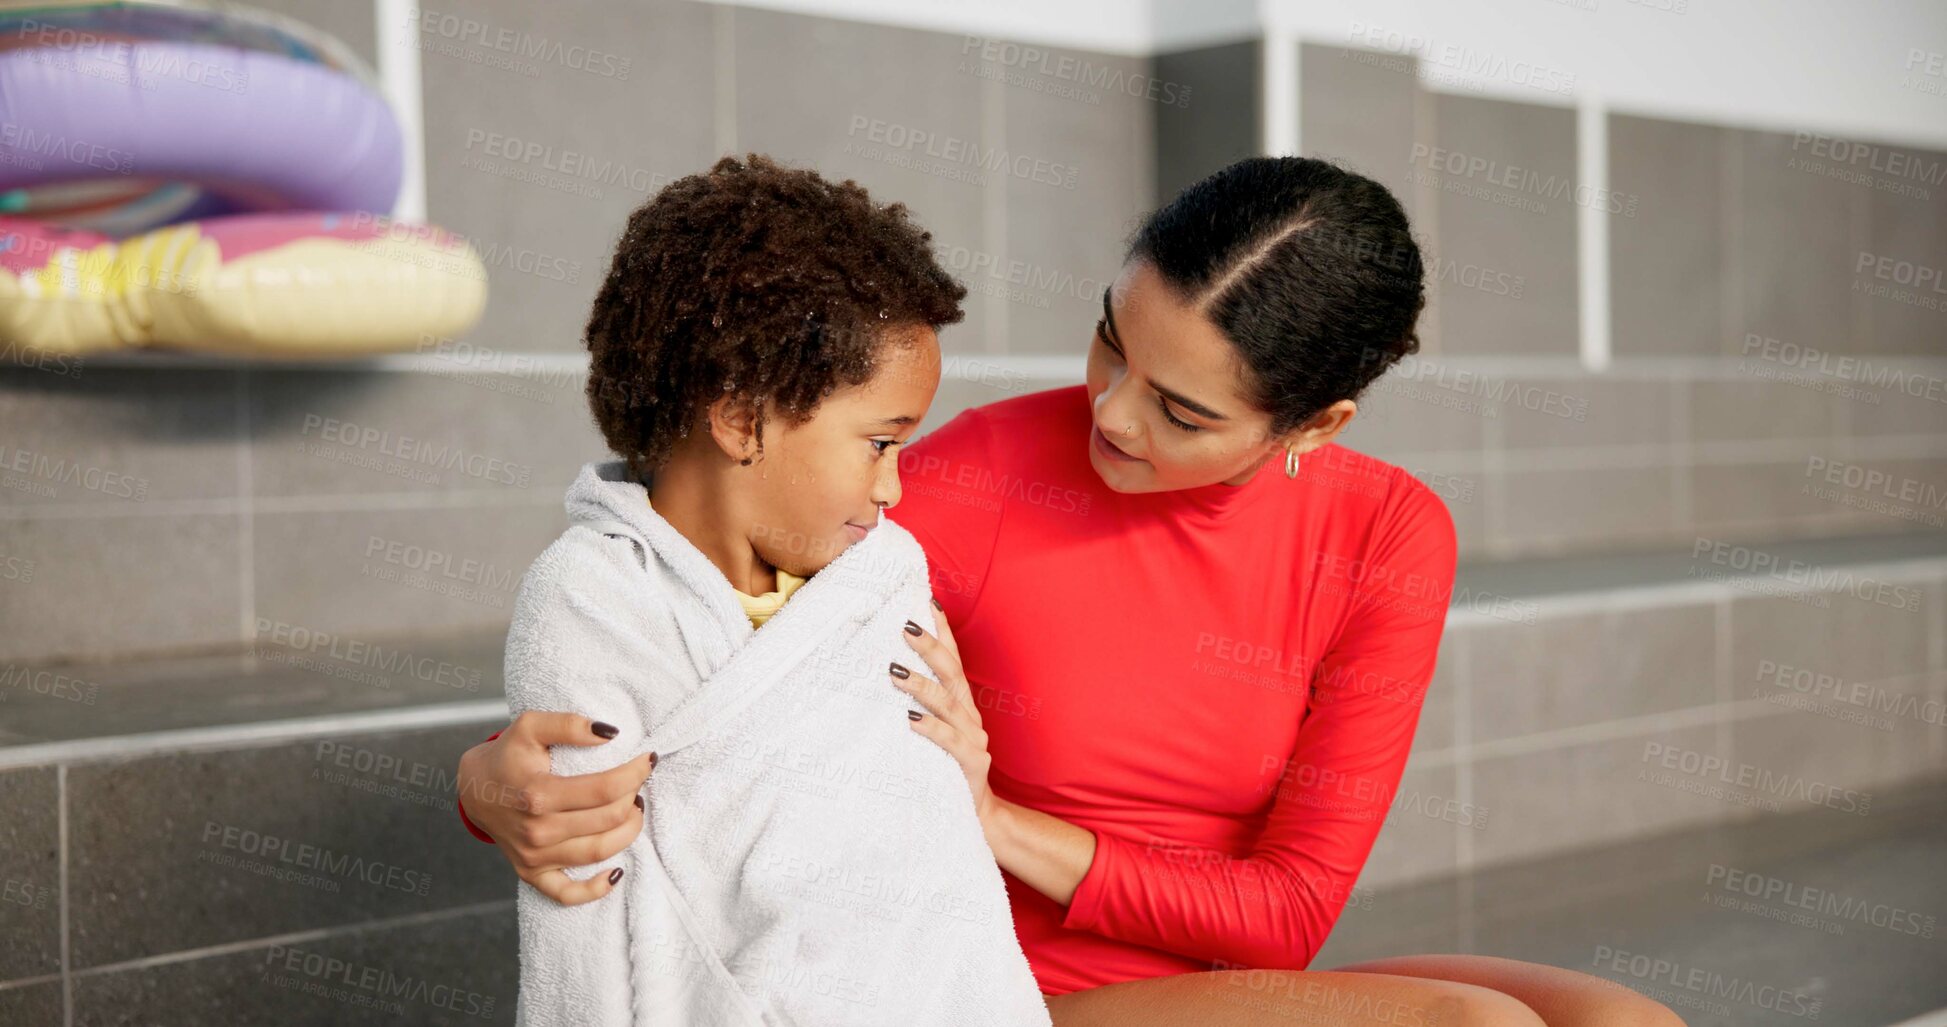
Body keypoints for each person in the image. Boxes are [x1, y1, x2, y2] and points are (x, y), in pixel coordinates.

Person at [461, 156, 1684, 1027]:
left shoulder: (1387, 533)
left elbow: (1290, 913)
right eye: (1113, 340)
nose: (1108, 411)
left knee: (1627, 1023)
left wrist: (998, 822)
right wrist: (486, 785)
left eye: (1182, 408)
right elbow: (692, 609)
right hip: (1007, 983)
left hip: (1217, 980)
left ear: (1317, 425)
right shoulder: (969, 479)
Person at [501, 154, 1050, 1026]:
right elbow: (586, 897)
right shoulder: (592, 596)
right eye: (880, 443)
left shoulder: (881, 577)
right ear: (741, 418)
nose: (894, 489)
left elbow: (930, 860)